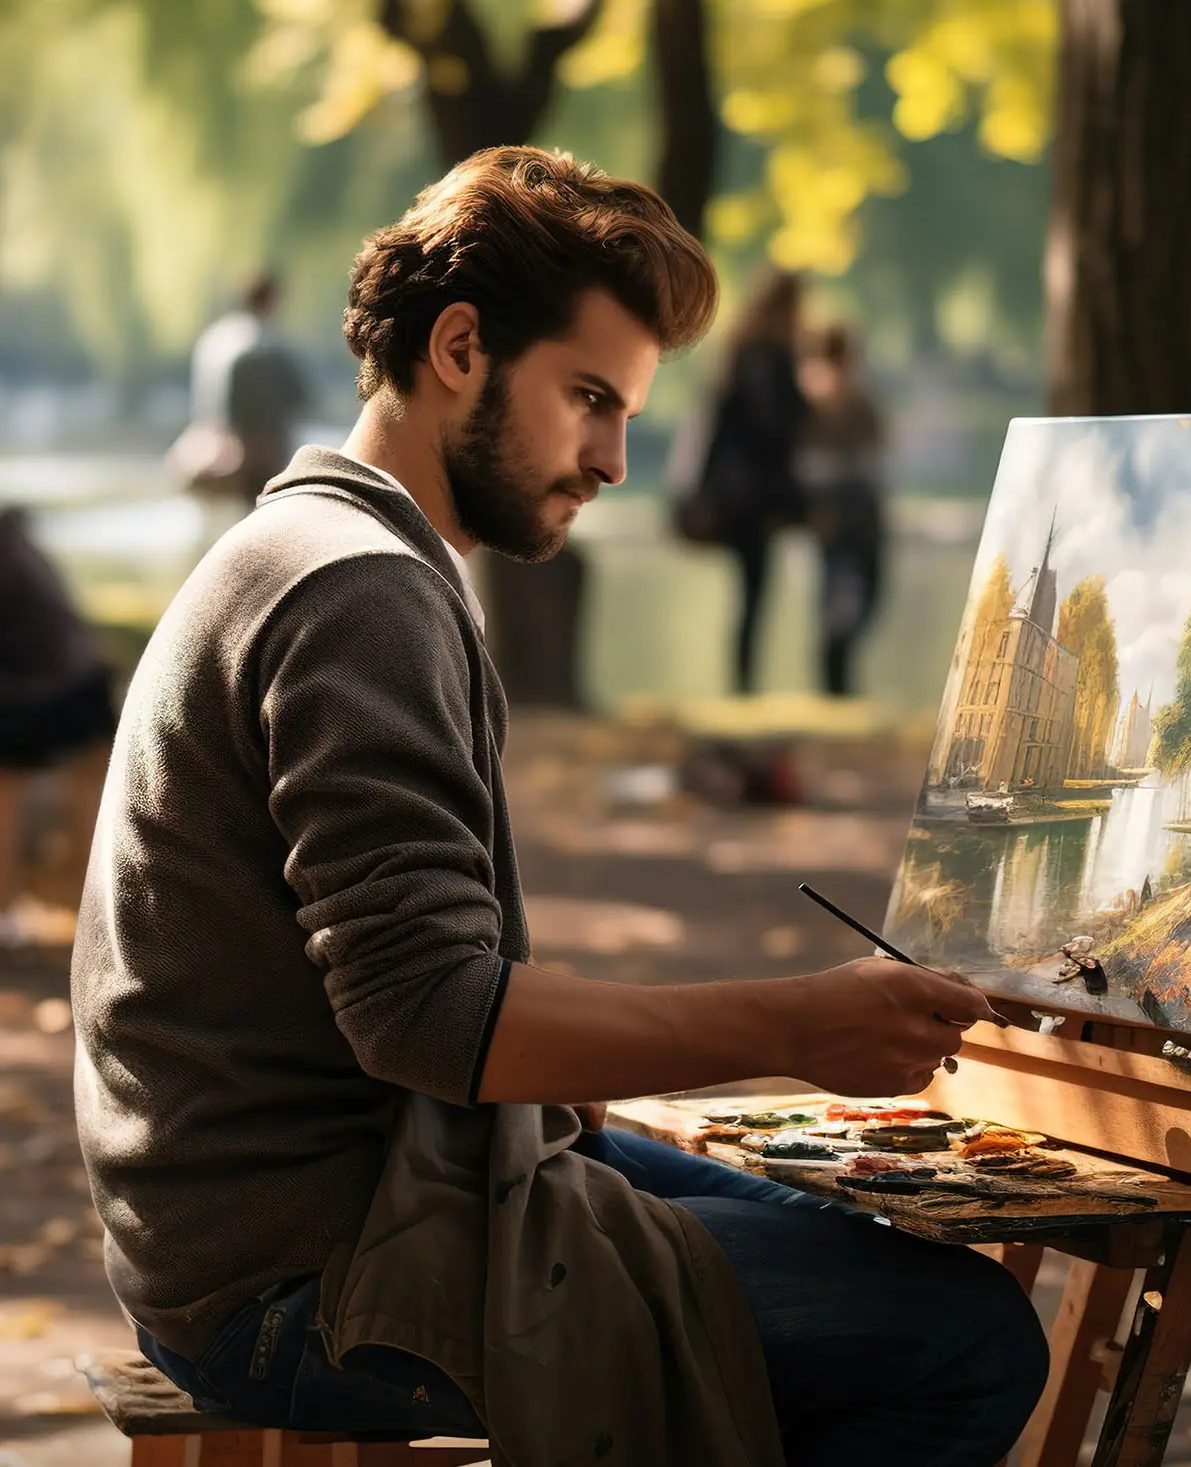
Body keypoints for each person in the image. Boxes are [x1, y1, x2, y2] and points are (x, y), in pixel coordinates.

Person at [71, 148, 1047, 1467]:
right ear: (461, 347)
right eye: (591, 399)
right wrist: (796, 1021)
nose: (615, 461)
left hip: (328, 1200)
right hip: (299, 1267)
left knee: (869, 1245)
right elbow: (431, 1015)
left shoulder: (332, 549)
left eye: (629, 412)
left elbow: (414, 985)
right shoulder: (358, 587)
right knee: (964, 1339)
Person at [688, 266, 809, 693]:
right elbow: (771, 426)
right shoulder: (767, 355)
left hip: (737, 490)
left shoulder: (740, 350)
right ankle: (743, 683)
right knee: (755, 590)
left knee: (750, 591)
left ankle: (742, 682)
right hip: (753, 496)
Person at [0, 506, 116, 942]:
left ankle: (97, 906)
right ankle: (100, 904)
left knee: (8, 792)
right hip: (71, 680)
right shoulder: (15, 539)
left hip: (40, 689)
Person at [168, 271, 309, 509]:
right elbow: (301, 398)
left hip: (208, 439)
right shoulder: (269, 346)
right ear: (273, 301)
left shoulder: (214, 338)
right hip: (257, 451)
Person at [797, 323, 886, 696]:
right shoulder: (826, 400)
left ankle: (836, 687)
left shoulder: (836, 398)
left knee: (842, 599)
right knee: (848, 600)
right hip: (848, 511)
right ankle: (836, 688)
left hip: (844, 511)